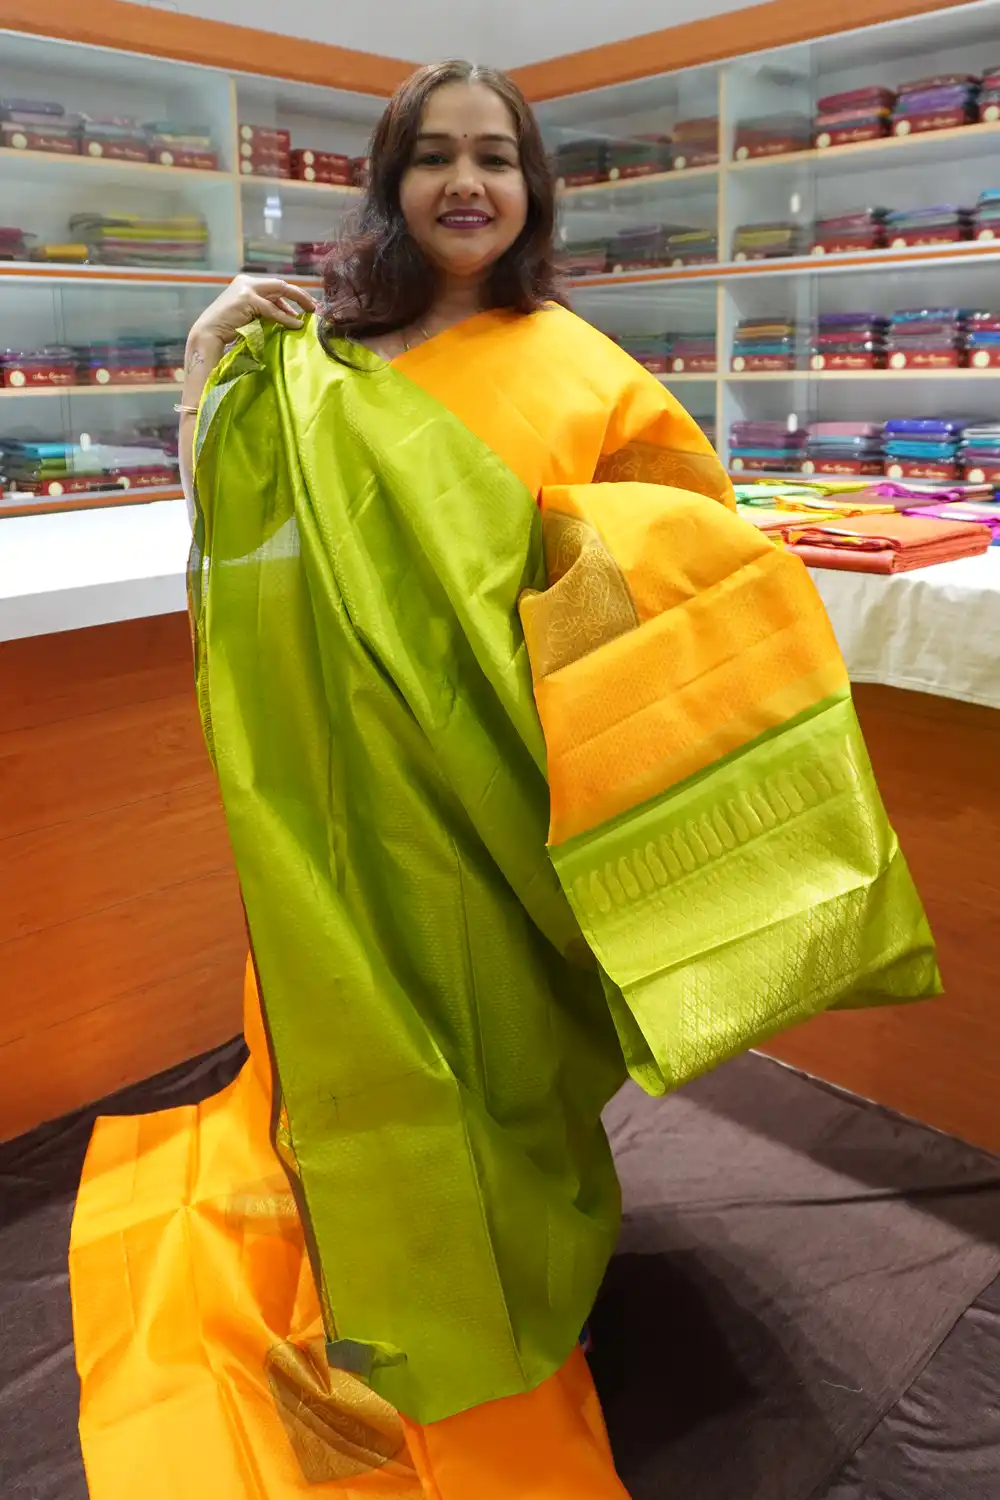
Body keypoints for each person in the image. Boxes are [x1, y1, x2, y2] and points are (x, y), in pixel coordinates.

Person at [69, 60, 940, 1500]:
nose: (465, 182)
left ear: (532, 190)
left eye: (496, 157)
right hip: (346, 804)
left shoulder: (588, 371)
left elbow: (696, 571)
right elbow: (236, 537)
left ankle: (521, 1306)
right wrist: (206, 362)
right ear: (392, 183)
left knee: (509, 1073)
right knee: (353, 1064)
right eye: (434, 156)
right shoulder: (323, 362)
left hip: (511, 796)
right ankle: (376, 1296)